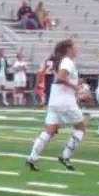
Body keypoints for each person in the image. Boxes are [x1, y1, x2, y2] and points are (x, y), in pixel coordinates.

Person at [26, 39, 90, 171]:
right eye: (75, 47)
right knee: (80, 128)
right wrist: (76, 88)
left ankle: (32, 158)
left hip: (54, 100)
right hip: (65, 102)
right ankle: (65, 156)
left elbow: (62, 78)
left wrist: (77, 84)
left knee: (49, 131)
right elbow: (61, 78)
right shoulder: (67, 61)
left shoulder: (62, 61)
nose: (77, 49)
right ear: (69, 49)